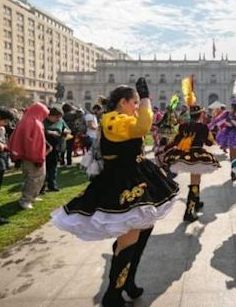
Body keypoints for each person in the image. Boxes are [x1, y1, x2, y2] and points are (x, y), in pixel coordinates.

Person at [51, 78, 179, 307]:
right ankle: (113, 293)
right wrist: (148, 100)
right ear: (123, 102)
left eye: (139, 102)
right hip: (122, 181)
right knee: (129, 236)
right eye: (135, 102)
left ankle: (128, 281)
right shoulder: (112, 120)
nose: (138, 106)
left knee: (143, 229)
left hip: (137, 176)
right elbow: (143, 127)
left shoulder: (122, 118)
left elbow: (143, 128)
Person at [164, 103, 221, 222]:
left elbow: (176, 140)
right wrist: (213, 134)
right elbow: (209, 143)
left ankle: (197, 201)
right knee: (195, 181)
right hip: (197, 156)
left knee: (196, 180)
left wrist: (166, 148)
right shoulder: (203, 127)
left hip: (185, 155)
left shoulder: (184, 126)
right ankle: (188, 212)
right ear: (200, 115)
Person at [8, 103, 50, 210]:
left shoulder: (26, 120)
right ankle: (26, 199)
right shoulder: (33, 122)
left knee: (31, 177)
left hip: (28, 155)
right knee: (35, 178)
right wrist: (36, 157)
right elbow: (31, 142)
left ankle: (31, 196)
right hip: (32, 155)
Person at [210, 98, 236, 181]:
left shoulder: (228, 113)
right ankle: (234, 171)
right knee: (235, 155)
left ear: (232, 106)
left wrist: (210, 126)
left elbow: (217, 119)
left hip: (229, 134)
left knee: (232, 155)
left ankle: (233, 170)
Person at [42, 107, 71, 193]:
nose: (58, 119)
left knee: (53, 167)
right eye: (57, 117)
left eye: (59, 117)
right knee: (45, 167)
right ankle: (42, 187)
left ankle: (52, 185)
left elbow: (67, 129)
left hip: (57, 147)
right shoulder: (43, 121)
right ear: (50, 115)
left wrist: (66, 131)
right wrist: (48, 132)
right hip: (46, 147)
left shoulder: (61, 121)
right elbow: (39, 131)